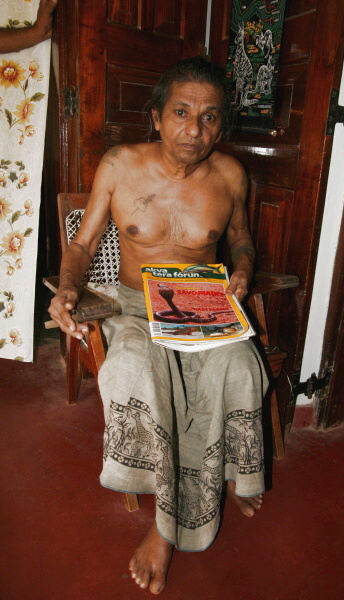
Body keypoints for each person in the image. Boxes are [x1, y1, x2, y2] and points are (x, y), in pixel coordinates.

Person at [49, 56, 268, 595]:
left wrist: (242, 268)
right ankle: (172, 521)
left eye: (210, 117)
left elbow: (241, 238)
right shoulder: (120, 164)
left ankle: (210, 484)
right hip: (135, 306)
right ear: (156, 117)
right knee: (133, 368)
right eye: (181, 113)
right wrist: (69, 289)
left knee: (240, 364)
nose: (195, 130)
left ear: (221, 124)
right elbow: (82, 244)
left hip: (202, 304)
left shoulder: (231, 175)